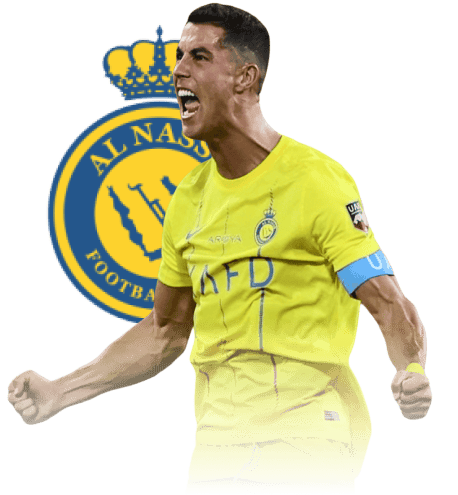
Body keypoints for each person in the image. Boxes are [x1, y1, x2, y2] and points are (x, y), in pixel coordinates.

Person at [7, 3, 432, 494]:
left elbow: (387, 302)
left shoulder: (316, 181)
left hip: (304, 446)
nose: (178, 70)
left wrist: (411, 370)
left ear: (245, 78)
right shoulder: (188, 199)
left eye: (200, 56)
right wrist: (60, 390)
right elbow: (164, 331)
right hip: (215, 454)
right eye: (178, 55)